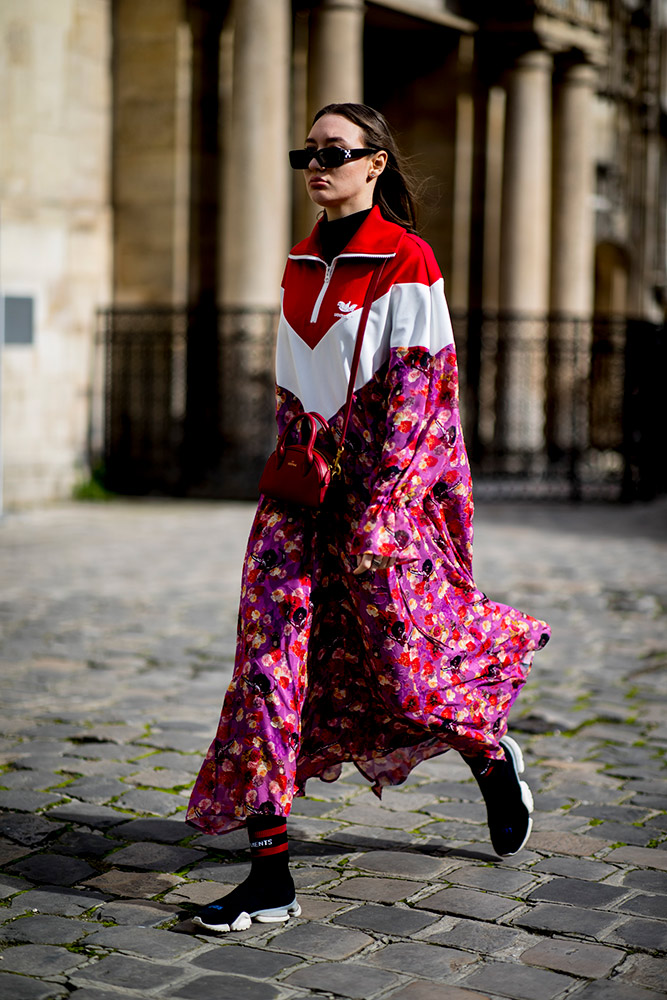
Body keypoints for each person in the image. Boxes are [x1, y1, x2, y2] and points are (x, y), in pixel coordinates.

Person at [186, 103, 551, 933]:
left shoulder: (407, 260)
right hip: (298, 500)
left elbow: (426, 398)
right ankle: (270, 875)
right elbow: (291, 387)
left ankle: (492, 757)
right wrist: (291, 473)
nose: (317, 166)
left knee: (407, 669)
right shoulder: (297, 259)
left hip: (380, 505)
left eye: (334, 152)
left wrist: (378, 506)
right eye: (305, 153)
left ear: (375, 164)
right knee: (268, 670)